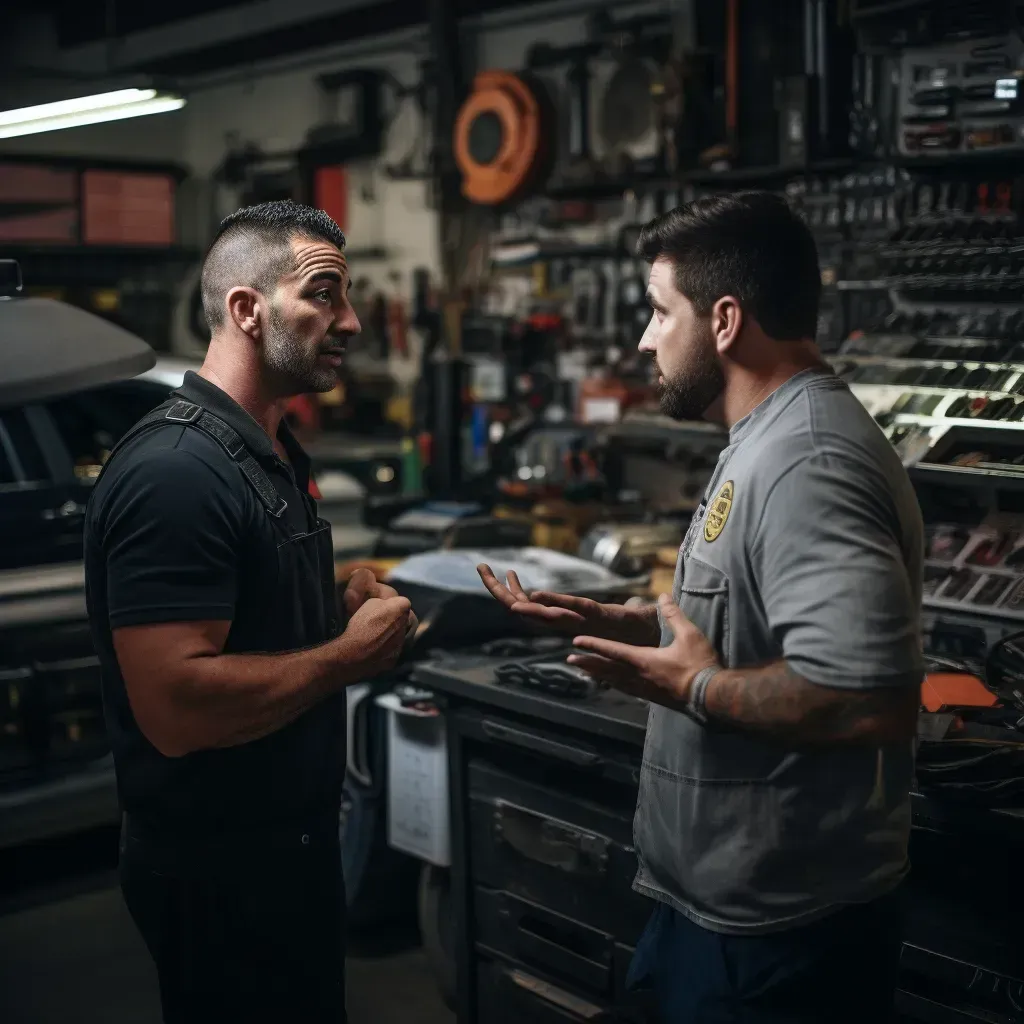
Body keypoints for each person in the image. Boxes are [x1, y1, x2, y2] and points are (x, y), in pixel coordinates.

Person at [478, 191, 922, 1023]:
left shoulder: (807, 460)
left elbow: (871, 699)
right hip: (717, 913)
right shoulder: (764, 439)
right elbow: (745, 626)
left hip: (779, 938)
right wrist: (624, 622)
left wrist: (694, 689)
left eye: (657, 311)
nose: (645, 337)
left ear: (723, 320)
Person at [84, 200, 415, 1024]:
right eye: (325, 295)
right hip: (219, 871)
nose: (352, 320)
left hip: (286, 851)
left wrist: (326, 611)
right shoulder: (177, 472)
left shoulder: (264, 450)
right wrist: (348, 656)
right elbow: (175, 706)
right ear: (246, 308)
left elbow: (243, 622)